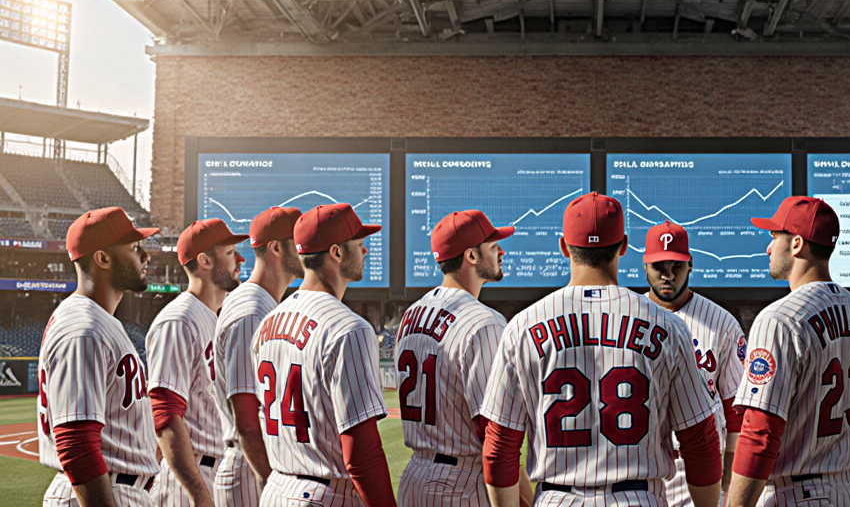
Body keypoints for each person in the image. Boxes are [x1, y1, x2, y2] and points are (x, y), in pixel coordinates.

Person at [480, 192, 723, 507]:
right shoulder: (668, 325)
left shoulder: (523, 326)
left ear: (564, 247)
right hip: (638, 497)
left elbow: (500, 446)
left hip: (557, 497)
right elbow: (700, 442)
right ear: (623, 245)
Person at [725, 196, 850, 507]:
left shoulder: (779, 318)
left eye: (774, 237)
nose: (769, 248)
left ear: (796, 244)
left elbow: (760, 433)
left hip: (800, 494)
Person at [251, 203, 395, 507]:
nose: (365, 251)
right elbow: (362, 451)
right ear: (336, 253)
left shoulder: (268, 323)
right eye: (359, 244)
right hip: (324, 494)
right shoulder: (349, 327)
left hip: (276, 488)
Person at [395, 210, 534, 507]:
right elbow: (495, 434)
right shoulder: (484, 321)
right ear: (471, 255)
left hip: (414, 476)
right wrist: (526, 499)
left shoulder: (411, 314)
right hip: (460, 482)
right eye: (493, 244)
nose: (501, 250)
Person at [38, 207, 160, 507]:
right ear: (102, 259)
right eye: (134, 248)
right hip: (102, 491)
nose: (145, 256)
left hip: (118, 486)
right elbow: (76, 443)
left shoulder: (97, 321)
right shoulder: (83, 326)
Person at [641, 221, 745, 505]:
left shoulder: (721, 323)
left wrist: (728, 476)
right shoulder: (628, 317)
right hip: (641, 471)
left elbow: (735, 409)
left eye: (676, 266)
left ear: (690, 265)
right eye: (658, 267)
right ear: (644, 265)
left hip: (700, 470)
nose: (668, 275)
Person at [147, 218, 247, 507]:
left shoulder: (217, 317)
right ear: (204, 260)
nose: (240, 259)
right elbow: (165, 417)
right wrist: (200, 496)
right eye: (230, 253)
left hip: (219, 471)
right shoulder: (178, 321)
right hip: (191, 481)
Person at [212, 207, 303, 507]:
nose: (306, 247)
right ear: (276, 247)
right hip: (251, 468)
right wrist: (270, 478)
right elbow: (248, 420)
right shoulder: (251, 310)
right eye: (298, 239)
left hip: (253, 464)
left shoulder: (257, 302)